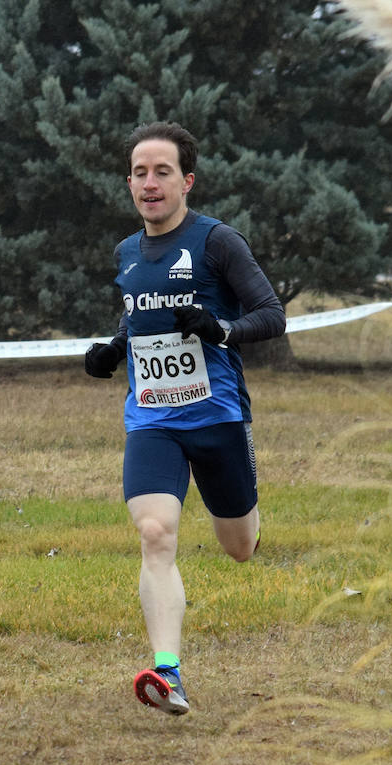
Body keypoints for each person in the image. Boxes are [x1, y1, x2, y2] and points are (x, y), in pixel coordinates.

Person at [83, 121, 286, 715]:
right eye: (140, 173)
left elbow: (271, 314)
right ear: (129, 184)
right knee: (154, 533)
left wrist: (222, 330)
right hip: (151, 420)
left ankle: (246, 511)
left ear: (186, 181)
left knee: (240, 546)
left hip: (219, 416)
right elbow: (137, 319)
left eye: (162, 172)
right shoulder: (126, 253)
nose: (150, 183)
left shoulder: (218, 242)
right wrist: (113, 349)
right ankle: (166, 672)